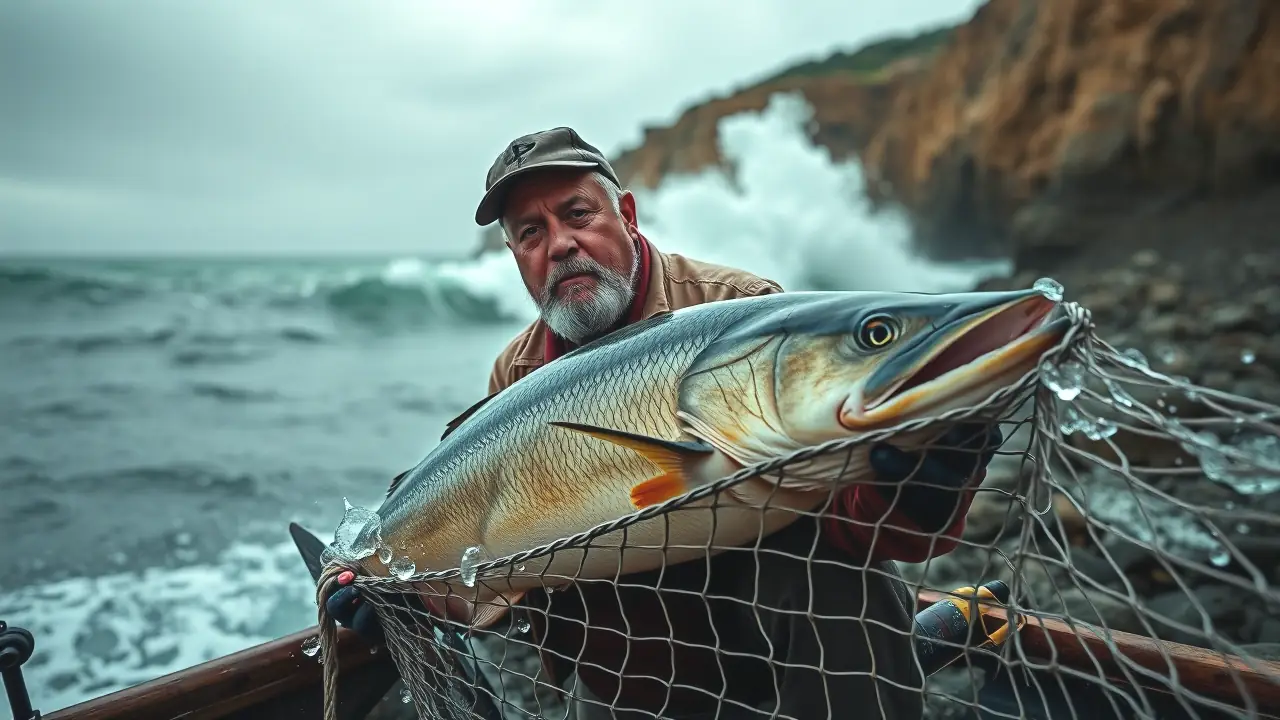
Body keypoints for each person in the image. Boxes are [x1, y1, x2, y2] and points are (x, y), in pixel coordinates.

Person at [327, 127, 1002, 719]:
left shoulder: (745, 311)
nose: (560, 244)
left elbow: (858, 520)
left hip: (771, 640)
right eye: (531, 233)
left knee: (834, 573)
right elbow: (505, 560)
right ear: (516, 257)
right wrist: (407, 596)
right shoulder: (516, 373)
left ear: (626, 215)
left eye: (577, 214)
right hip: (625, 662)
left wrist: (926, 488)